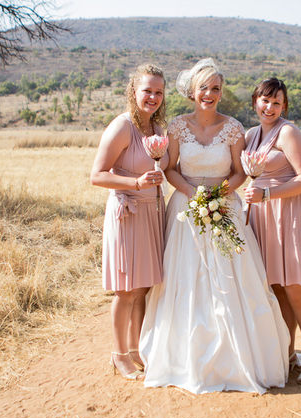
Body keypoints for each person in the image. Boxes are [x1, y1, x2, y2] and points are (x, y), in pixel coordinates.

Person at [139, 58, 289, 394]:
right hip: (185, 208)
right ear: (192, 92)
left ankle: (241, 357)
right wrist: (194, 194)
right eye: (204, 88)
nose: (210, 94)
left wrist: (219, 195)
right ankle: (183, 357)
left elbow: (239, 171)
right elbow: (171, 168)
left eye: (216, 88)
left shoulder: (234, 127)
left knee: (232, 280)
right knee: (186, 278)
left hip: (225, 205)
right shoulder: (176, 127)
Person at [244, 77, 301, 384]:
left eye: (277, 102)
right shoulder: (252, 135)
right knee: (277, 287)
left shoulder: (289, 132)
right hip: (264, 218)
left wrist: (268, 194)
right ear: (255, 101)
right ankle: (288, 351)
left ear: (285, 106)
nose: (270, 107)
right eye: (265, 100)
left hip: (292, 213)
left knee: (296, 288)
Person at [90, 64, 168, 380]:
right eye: (147, 91)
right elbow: (96, 175)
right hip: (128, 213)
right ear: (133, 92)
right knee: (126, 289)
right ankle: (119, 354)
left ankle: (137, 350)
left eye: (158, 92)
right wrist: (135, 184)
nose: (152, 97)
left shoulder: (158, 131)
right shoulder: (122, 127)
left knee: (144, 287)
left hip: (152, 213)